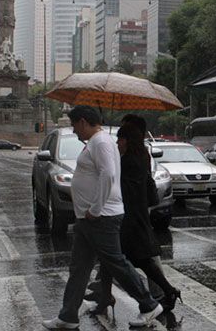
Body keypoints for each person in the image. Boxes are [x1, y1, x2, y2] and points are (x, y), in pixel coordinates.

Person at [42, 106, 163, 330]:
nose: (74, 130)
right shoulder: (98, 143)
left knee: (116, 262)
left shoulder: (100, 143)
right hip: (89, 218)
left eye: (74, 125)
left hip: (101, 216)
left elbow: (108, 174)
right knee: (79, 267)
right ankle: (68, 316)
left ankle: (149, 304)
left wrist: (96, 209)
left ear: (83, 122)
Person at [93, 123, 181, 318]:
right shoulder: (139, 156)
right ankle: (105, 295)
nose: (117, 143)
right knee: (112, 257)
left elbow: (120, 186)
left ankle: (164, 293)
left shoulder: (129, 162)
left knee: (137, 260)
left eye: (119, 139)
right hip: (134, 215)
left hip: (130, 218)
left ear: (126, 140)